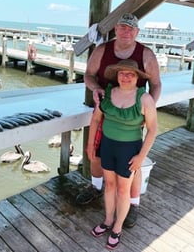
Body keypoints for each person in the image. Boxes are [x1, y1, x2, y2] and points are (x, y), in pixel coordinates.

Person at [76, 13, 161, 228]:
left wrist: (147, 109)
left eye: (131, 29)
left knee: (134, 162)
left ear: (137, 32)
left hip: (131, 114)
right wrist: (95, 88)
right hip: (105, 109)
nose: (126, 32)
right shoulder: (102, 50)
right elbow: (88, 75)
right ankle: (96, 188)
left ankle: (133, 203)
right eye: (122, 27)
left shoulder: (147, 55)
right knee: (95, 153)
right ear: (116, 29)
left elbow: (157, 84)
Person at [89, 59, 158, 249]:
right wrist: (90, 146)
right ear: (117, 75)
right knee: (109, 185)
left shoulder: (144, 99)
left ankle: (118, 227)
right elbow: (96, 119)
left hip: (129, 150)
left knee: (122, 190)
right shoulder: (107, 93)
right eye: (122, 73)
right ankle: (108, 220)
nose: (125, 77)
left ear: (137, 78)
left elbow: (152, 130)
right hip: (107, 146)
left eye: (130, 74)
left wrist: (141, 157)